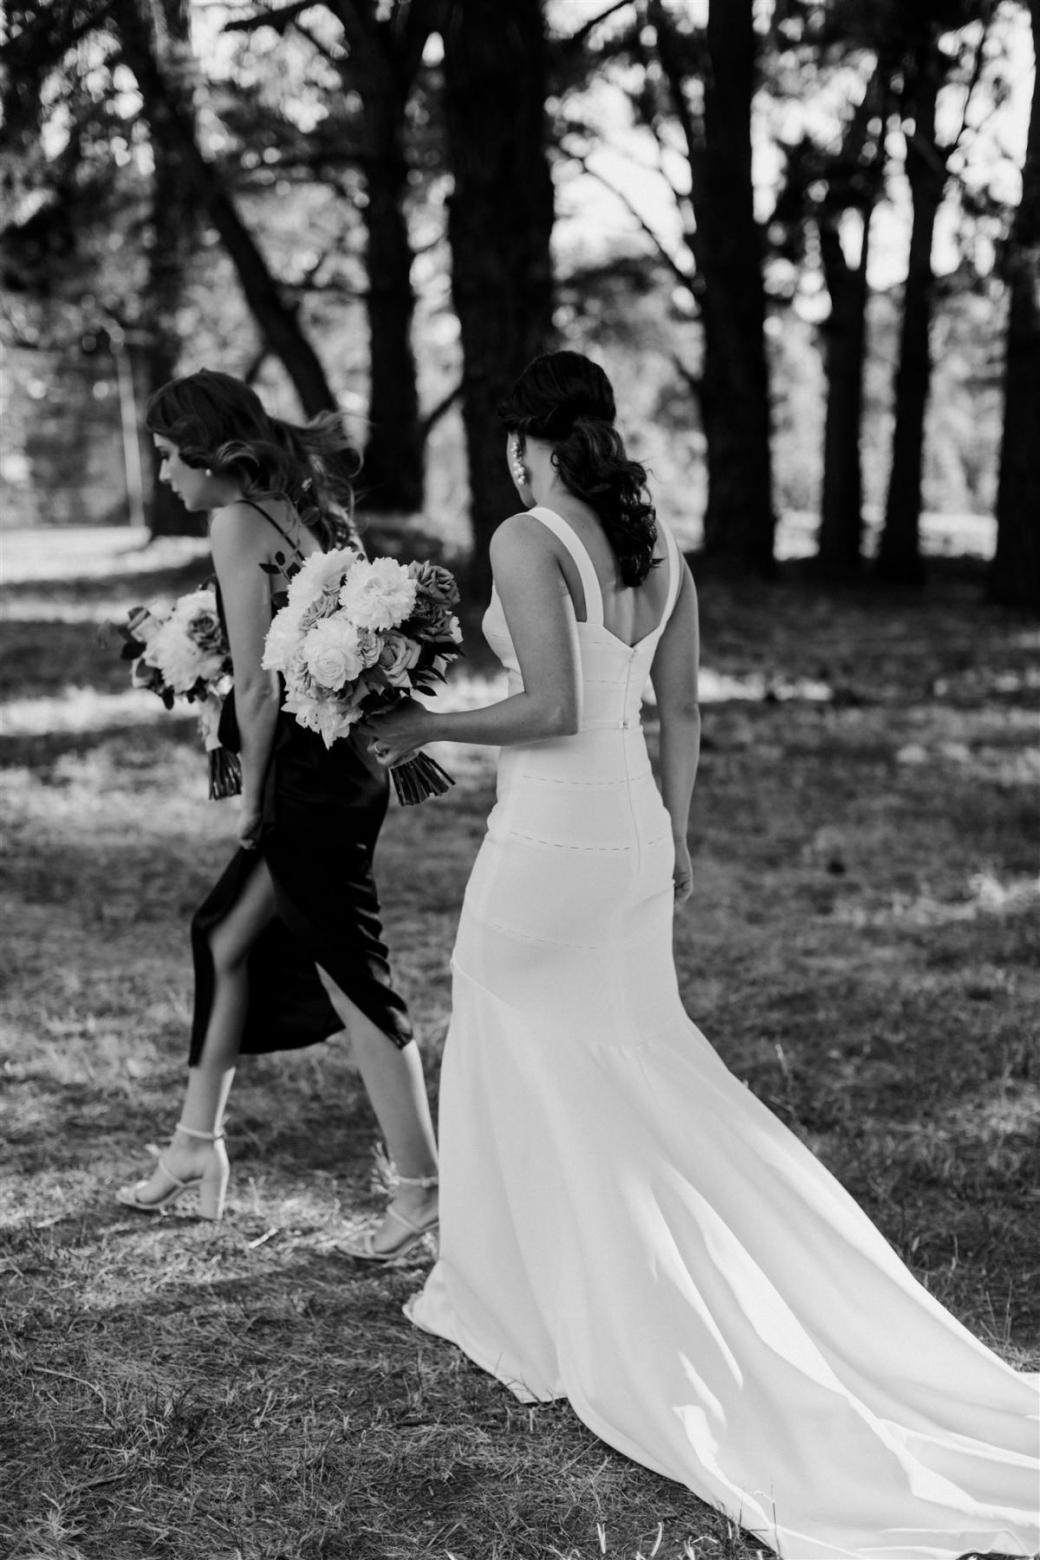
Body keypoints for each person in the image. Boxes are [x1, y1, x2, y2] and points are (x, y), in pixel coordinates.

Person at [366, 351, 1039, 1558]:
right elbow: (677, 711)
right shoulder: (654, 545)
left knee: (510, 1024)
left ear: (528, 440)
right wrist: (675, 834)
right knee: (628, 1058)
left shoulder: (528, 538)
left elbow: (552, 709)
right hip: (629, 830)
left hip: (555, 833)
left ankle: (536, 1287)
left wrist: (423, 724)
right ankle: (663, 1269)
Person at [117, 369, 438, 1261]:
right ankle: (195, 1147)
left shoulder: (234, 523)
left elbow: (260, 686)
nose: (166, 479)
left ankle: (421, 1192)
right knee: (222, 935)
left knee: (352, 975)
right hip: (344, 760)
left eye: (171, 460)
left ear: (216, 459)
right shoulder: (308, 510)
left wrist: (253, 796)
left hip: (308, 778)